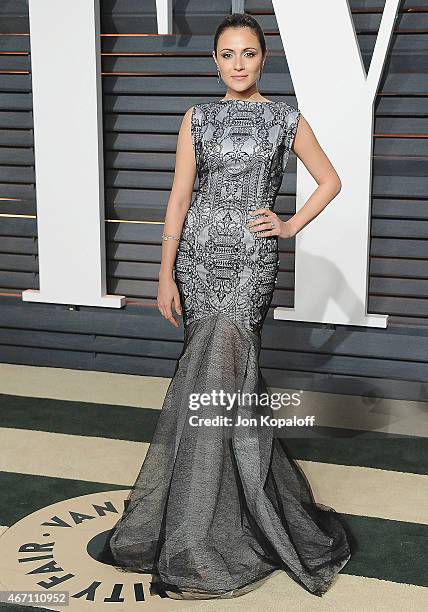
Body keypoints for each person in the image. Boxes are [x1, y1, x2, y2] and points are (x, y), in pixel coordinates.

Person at [102, 12, 352, 600]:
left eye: (247, 54)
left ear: (263, 58)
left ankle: (200, 535)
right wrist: (164, 273)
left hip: (249, 268)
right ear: (215, 61)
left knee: (223, 380)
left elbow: (330, 180)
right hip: (197, 264)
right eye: (226, 54)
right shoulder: (198, 118)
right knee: (212, 385)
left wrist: (288, 224)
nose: (237, 64)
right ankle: (207, 518)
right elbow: (180, 195)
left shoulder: (283, 118)